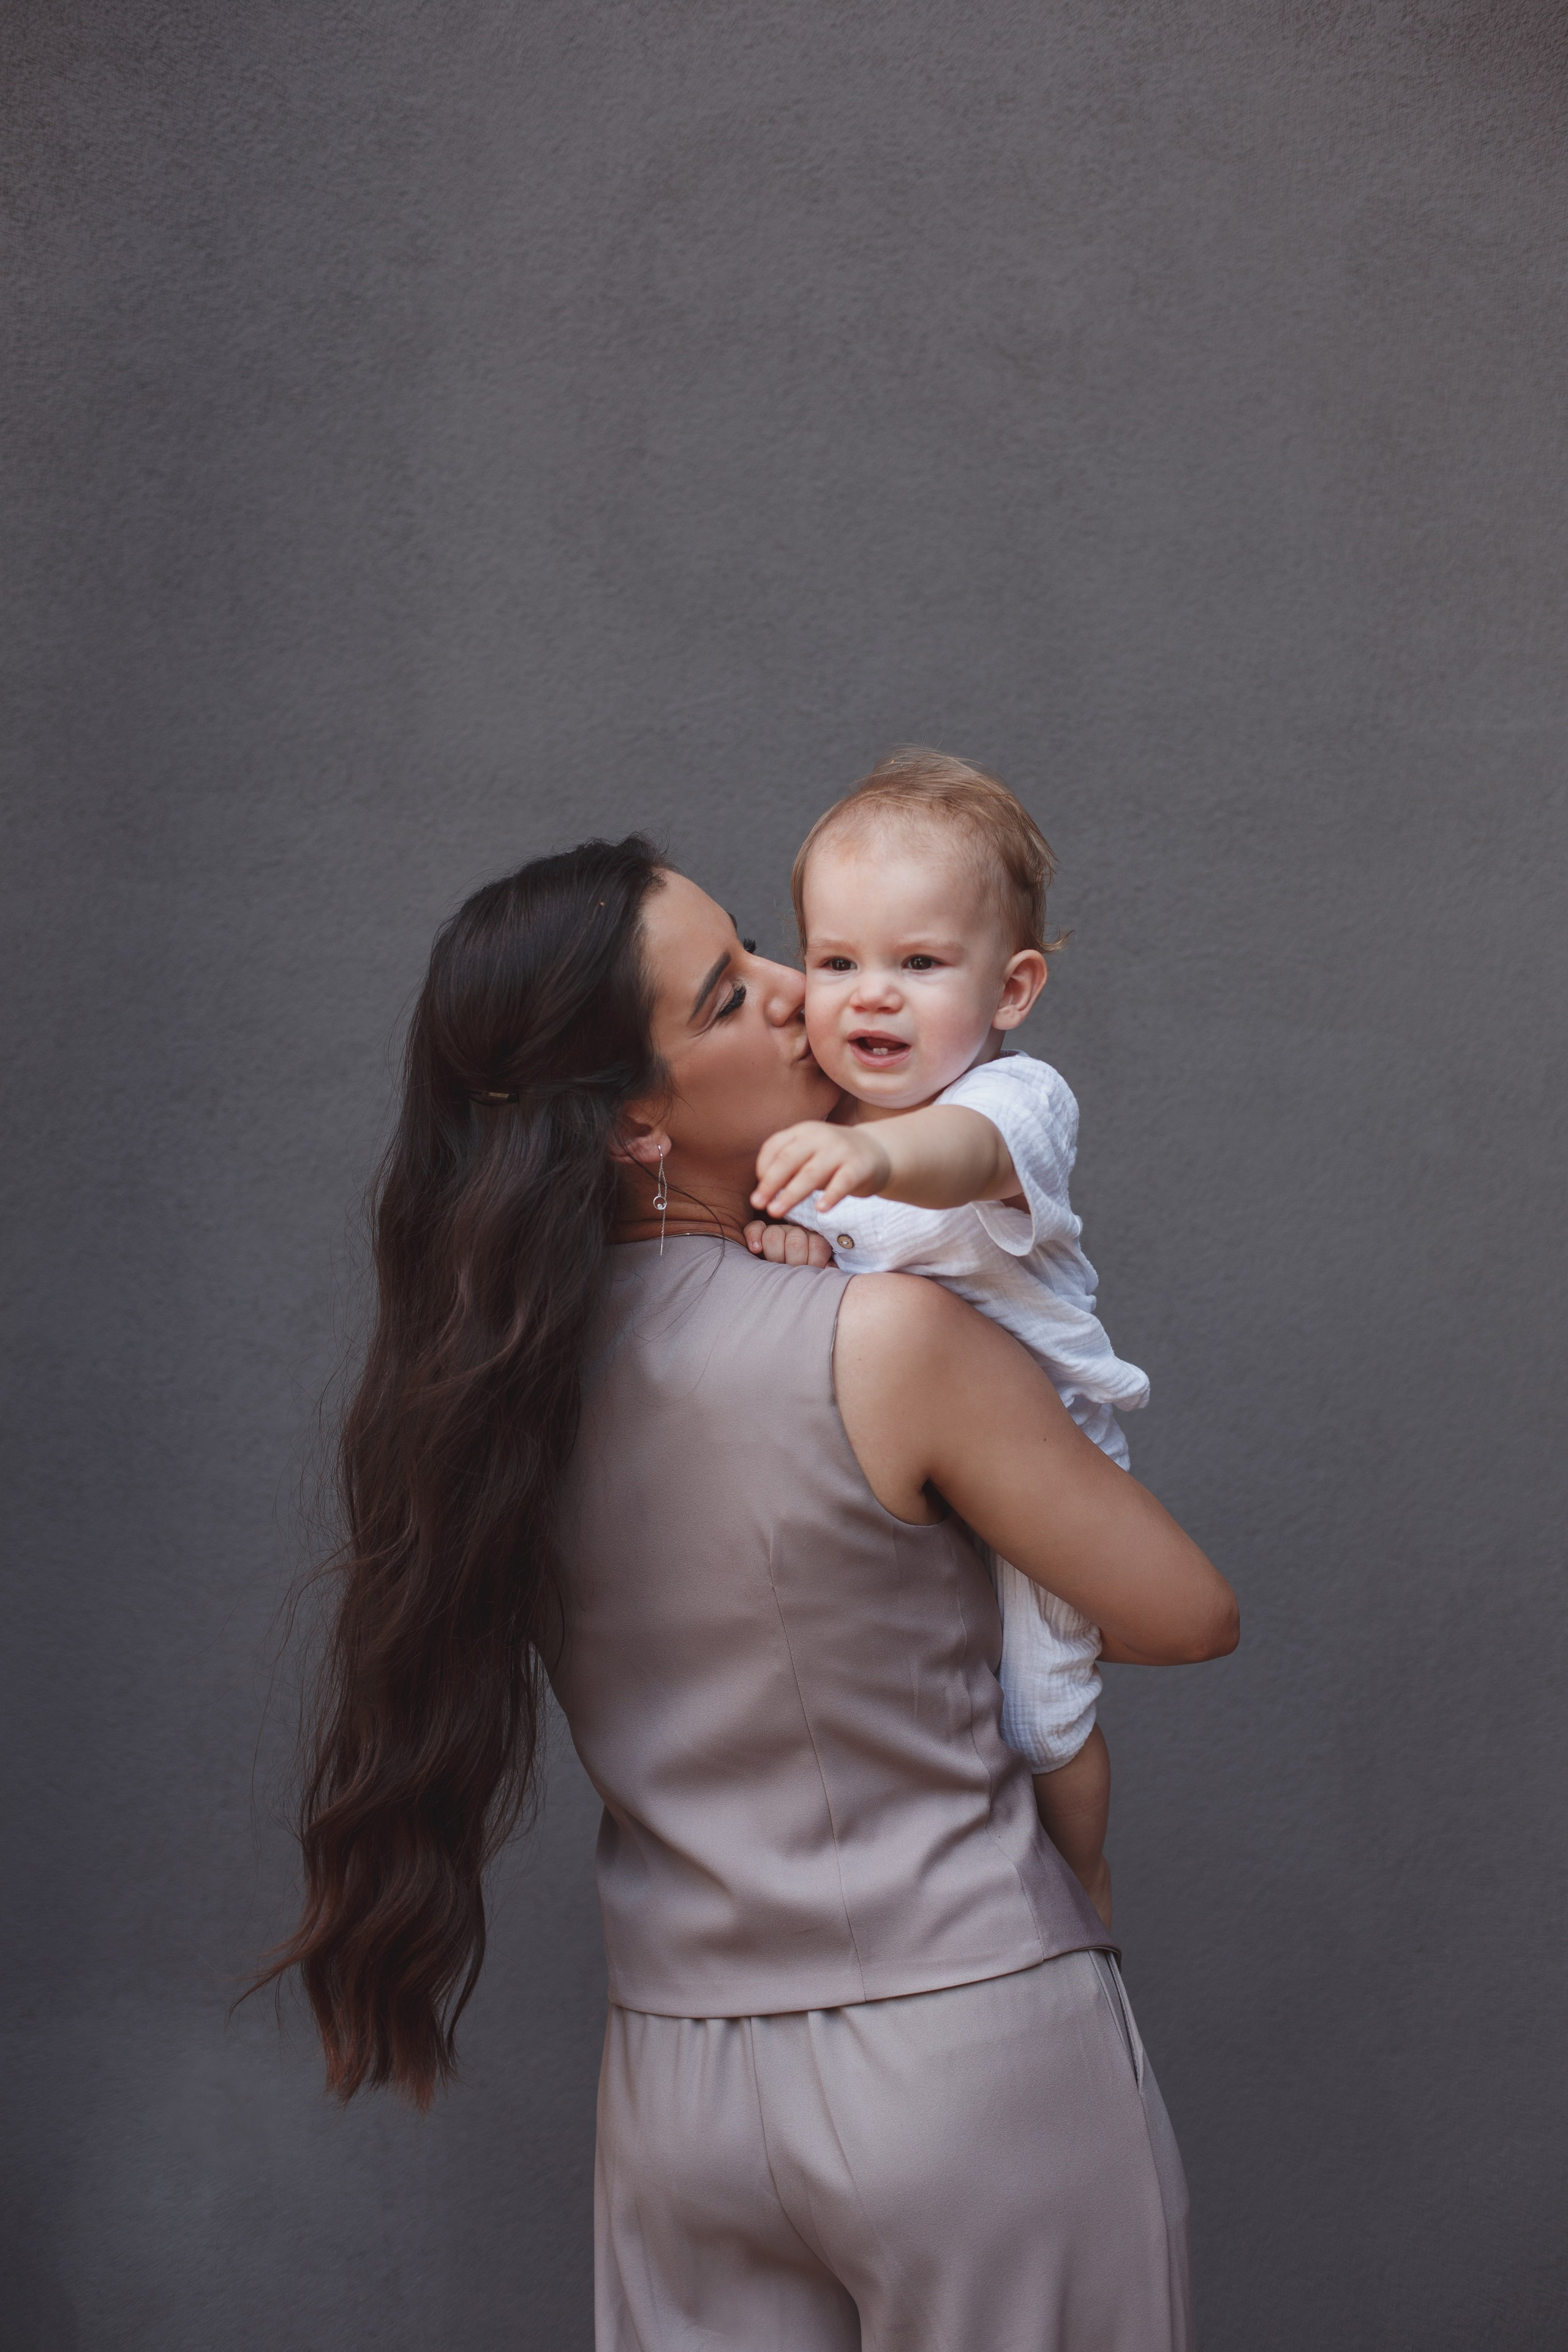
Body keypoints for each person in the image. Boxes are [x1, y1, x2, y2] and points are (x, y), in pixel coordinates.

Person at [260, 831, 1238, 2351]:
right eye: (728, 994)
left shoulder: (487, 1409)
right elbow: (1184, 1612)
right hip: (964, 2052)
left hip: (678, 2096)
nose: (799, 991)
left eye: (755, 951)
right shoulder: (884, 1335)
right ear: (632, 1124)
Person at [744, 747, 1144, 1923]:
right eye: (838, 962)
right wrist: (795, 1238)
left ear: (1011, 991)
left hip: (1041, 1457)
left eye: (919, 964)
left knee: (1043, 1714)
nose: (871, 995)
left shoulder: (1012, 1103)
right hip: (904, 1479)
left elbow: (950, 1162)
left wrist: (865, 1160)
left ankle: (1083, 1892)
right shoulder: (813, 1121)